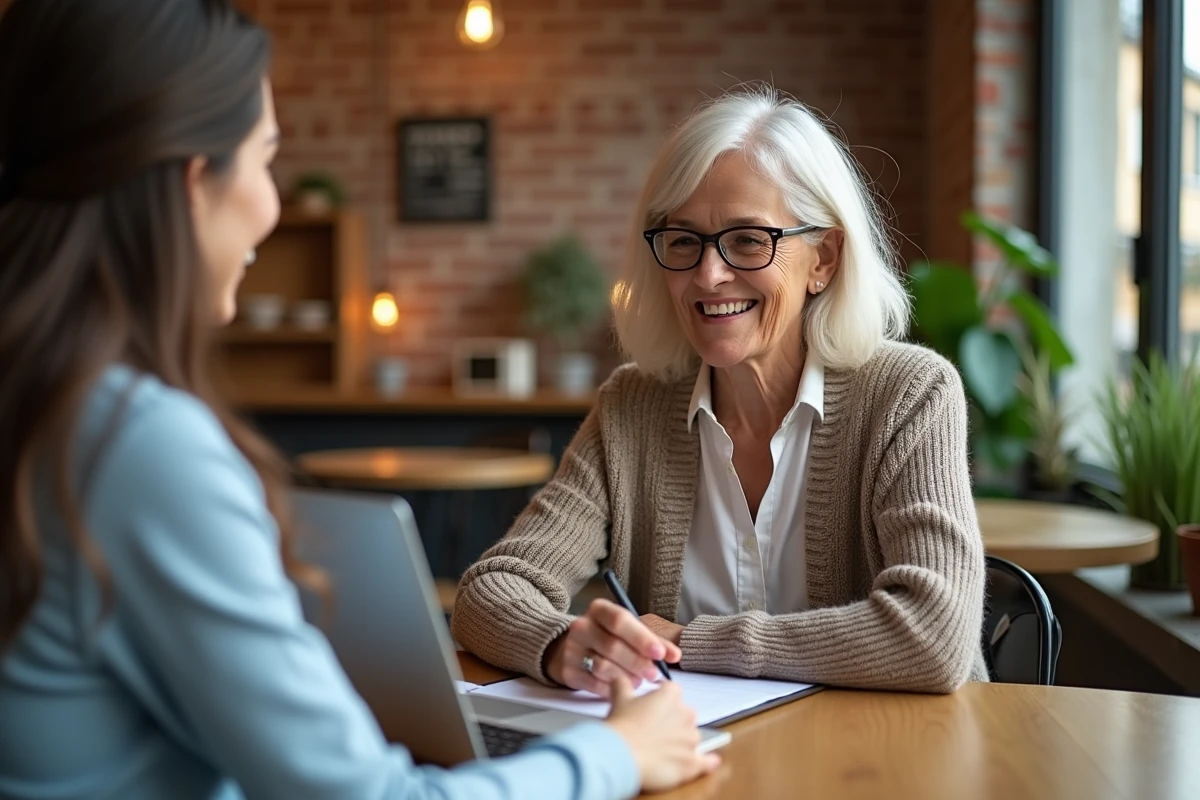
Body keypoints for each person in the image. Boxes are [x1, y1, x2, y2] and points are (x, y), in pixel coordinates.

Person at [0, 1, 719, 798]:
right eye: (265, 160)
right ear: (192, 183)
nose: (273, 208)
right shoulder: (138, 447)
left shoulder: (45, 407)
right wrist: (616, 753)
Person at [453, 88, 989, 697]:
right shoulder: (633, 406)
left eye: (748, 239)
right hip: (698, 764)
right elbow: (490, 590)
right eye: (683, 241)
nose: (708, 276)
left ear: (824, 259)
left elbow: (934, 635)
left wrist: (689, 642)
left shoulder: (910, 395)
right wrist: (561, 644)